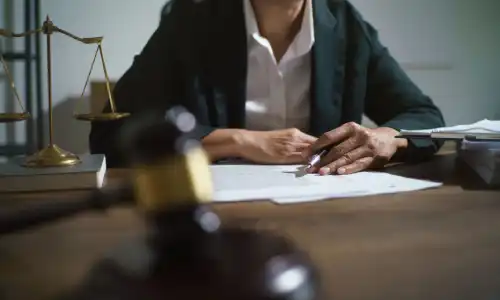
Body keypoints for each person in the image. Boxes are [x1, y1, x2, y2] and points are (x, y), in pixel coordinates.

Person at [89, 0, 445, 175]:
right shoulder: (192, 20)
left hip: (325, 210)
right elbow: (112, 131)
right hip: (219, 219)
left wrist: (386, 137)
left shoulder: (345, 24)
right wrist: (241, 141)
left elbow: (425, 116)